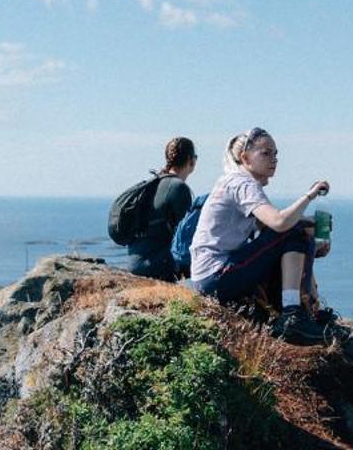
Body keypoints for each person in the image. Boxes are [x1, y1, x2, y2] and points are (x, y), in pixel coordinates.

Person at [187, 128, 332, 342]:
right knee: (296, 233)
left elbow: (269, 228)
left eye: (275, 154)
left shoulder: (234, 181)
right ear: (245, 158)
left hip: (210, 275)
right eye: (265, 153)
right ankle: (293, 314)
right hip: (217, 274)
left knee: (299, 232)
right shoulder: (242, 183)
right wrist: (309, 196)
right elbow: (280, 222)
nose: (274, 159)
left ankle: (307, 309)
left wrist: (314, 231)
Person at [128, 137, 197, 280]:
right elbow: (187, 236)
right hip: (156, 265)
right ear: (191, 160)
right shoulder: (179, 188)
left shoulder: (154, 182)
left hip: (135, 263)